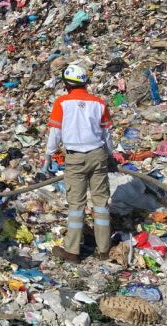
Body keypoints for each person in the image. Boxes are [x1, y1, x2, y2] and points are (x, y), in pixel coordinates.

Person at [45, 64, 114, 264]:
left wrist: (49, 154)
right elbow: (107, 134)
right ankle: (104, 250)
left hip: (75, 159)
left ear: (67, 84)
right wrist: (110, 155)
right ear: (85, 83)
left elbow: (55, 132)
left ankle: (72, 252)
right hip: (98, 156)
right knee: (101, 203)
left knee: (76, 205)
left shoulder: (62, 102)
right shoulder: (98, 103)